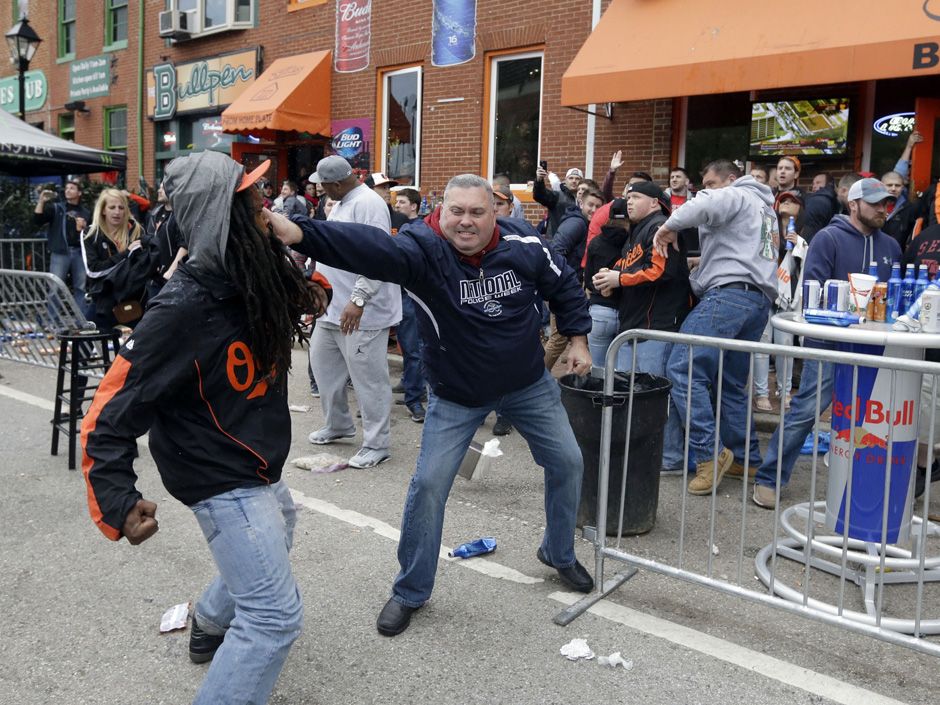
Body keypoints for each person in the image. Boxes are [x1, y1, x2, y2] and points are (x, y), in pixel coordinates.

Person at [266, 174, 594, 637]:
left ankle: (558, 552)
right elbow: (371, 247)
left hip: (527, 384)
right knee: (429, 487)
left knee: (568, 461)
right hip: (456, 394)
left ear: (495, 212)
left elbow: (564, 287)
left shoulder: (527, 243)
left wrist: (578, 337)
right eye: (454, 212)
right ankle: (410, 590)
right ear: (440, 213)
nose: (464, 222)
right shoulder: (423, 247)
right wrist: (300, 231)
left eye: (476, 212)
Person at [81, 151, 327, 705]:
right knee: (273, 618)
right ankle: (228, 625)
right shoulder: (180, 309)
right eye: (251, 199)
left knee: (284, 525)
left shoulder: (252, 272)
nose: (263, 207)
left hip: (256, 460)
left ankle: (211, 622)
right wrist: (118, 499)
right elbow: (107, 416)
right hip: (219, 476)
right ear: (222, 213)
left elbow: (312, 286)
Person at [752, 178, 901, 508]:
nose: (882, 208)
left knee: (869, 417)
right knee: (806, 411)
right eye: (875, 202)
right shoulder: (828, 237)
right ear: (853, 204)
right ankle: (769, 477)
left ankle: (859, 484)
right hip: (829, 344)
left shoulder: (891, 246)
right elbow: (813, 294)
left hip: (872, 347)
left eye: (886, 203)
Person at [654, 159, 778, 495]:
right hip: (757, 302)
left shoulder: (736, 194)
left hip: (730, 297)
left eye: (709, 182)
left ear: (731, 179)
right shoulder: (766, 210)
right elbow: (743, 250)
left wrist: (669, 226)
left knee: (683, 367)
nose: (704, 189)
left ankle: (709, 455)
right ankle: (745, 459)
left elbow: (706, 203)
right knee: (730, 383)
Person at [306, 156, 402, 469]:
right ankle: (339, 425)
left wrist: (359, 298)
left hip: (362, 311)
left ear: (336, 183)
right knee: (324, 370)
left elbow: (378, 256)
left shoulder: (369, 204)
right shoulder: (342, 201)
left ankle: (377, 443)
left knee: (369, 380)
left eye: (322, 184)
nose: (319, 190)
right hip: (333, 309)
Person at [753, 191, 806, 413]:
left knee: (785, 347)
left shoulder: (805, 231)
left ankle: (785, 393)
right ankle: (761, 393)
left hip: (788, 298)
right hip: (766, 292)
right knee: (763, 346)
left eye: (792, 201)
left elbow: (806, 266)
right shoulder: (768, 227)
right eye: (783, 200)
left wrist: (801, 244)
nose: (786, 203)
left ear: (801, 208)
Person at [543, 187, 604, 372]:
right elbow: (557, 249)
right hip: (563, 287)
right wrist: (566, 279)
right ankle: (538, 377)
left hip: (571, 285)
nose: (593, 210)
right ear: (581, 204)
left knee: (561, 338)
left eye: (598, 206)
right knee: (558, 338)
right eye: (590, 205)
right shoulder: (577, 223)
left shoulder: (587, 224)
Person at [901, 218, 940, 498]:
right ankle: (924, 466)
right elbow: (905, 276)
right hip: (927, 335)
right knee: (927, 400)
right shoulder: (924, 237)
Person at [81, 189, 154, 331]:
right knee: (85, 339)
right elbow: (94, 270)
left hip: (135, 300)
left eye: (121, 207)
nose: (117, 212)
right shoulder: (90, 233)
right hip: (103, 300)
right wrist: (127, 254)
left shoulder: (137, 231)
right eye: (112, 207)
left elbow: (142, 268)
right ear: (103, 210)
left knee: (149, 343)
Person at [392, 186, 428, 422]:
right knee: (412, 349)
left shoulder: (418, 229)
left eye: (402, 202)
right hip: (403, 296)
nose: (397, 206)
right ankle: (413, 392)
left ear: (413, 206)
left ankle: (415, 396)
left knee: (417, 349)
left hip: (416, 297)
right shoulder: (403, 227)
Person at [33, 179, 91, 308]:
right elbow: (37, 220)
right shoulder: (57, 208)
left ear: (79, 193)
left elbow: (91, 232)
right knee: (55, 287)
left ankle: (81, 322)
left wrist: (85, 228)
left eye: (72, 188)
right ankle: (53, 322)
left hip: (80, 253)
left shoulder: (86, 212)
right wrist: (41, 201)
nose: (68, 190)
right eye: (66, 188)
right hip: (60, 252)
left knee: (80, 288)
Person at [143, 181, 187, 298]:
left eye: (163, 188)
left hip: (170, 279)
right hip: (151, 278)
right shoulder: (153, 214)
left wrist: (171, 271)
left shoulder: (180, 215)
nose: (159, 190)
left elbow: (185, 245)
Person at [534, 164, 582, 238]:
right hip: (556, 241)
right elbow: (540, 195)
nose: (574, 181)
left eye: (577, 179)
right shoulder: (557, 196)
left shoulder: (585, 200)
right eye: (571, 178)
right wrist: (539, 180)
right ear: (565, 181)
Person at [881, 170, 918, 250]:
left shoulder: (911, 208)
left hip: (899, 254)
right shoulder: (873, 206)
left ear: (902, 187)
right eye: (889, 185)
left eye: (897, 185)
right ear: (882, 186)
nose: (893, 189)